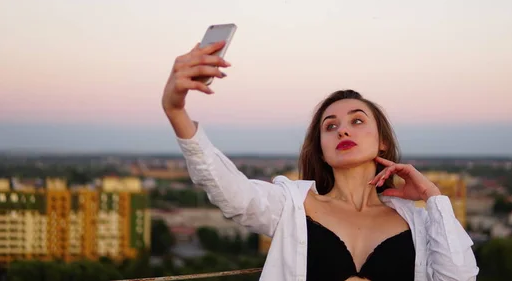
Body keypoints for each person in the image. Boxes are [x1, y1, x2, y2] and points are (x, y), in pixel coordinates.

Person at [162, 41, 479, 281]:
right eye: (330, 126)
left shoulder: (419, 222)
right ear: (321, 148)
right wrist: (176, 111)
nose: (342, 129)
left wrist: (433, 198)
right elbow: (231, 192)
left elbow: (460, 277)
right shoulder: (292, 206)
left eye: (357, 121)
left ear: (382, 139)